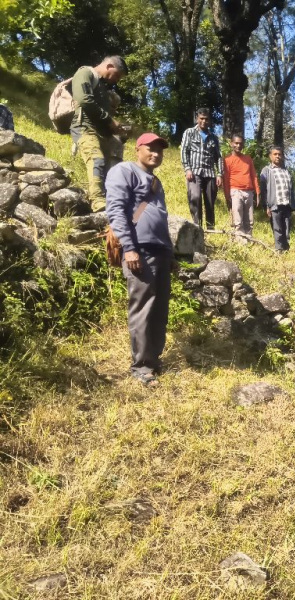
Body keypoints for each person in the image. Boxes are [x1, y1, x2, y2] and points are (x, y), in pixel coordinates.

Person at [106, 133, 174, 387]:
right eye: (150, 148)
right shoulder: (124, 171)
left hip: (160, 250)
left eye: (160, 150)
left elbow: (161, 218)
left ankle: (154, 361)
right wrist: (129, 248)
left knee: (159, 310)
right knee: (143, 308)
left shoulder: (156, 181)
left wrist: (170, 253)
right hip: (139, 250)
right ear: (138, 149)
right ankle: (141, 367)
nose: (156, 153)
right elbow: (115, 210)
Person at [70, 56, 129, 211]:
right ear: (109, 66)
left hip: (103, 133)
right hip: (85, 128)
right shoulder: (85, 73)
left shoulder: (103, 87)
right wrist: (110, 120)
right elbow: (84, 100)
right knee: (97, 159)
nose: (116, 80)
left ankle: (111, 202)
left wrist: (115, 127)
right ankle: (97, 201)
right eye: (117, 75)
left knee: (109, 168)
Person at [180, 108, 224, 230]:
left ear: (210, 121)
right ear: (197, 119)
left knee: (210, 203)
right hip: (194, 172)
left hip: (210, 174)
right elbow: (184, 151)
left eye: (206, 119)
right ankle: (197, 228)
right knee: (195, 197)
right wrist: (187, 169)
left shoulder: (214, 137)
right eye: (201, 119)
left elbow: (218, 157)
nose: (204, 121)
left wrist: (219, 174)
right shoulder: (189, 132)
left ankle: (210, 229)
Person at [259, 145, 295, 252]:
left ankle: (286, 249)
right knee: (277, 229)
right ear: (270, 156)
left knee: (287, 229)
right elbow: (263, 190)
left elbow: (292, 189)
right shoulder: (266, 170)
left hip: (287, 205)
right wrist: (266, 206)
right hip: (274, 206)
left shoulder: (286, 171)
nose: (277, 156)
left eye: (279, 154)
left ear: (282, 156)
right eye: (275, 154)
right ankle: (279, 250)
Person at [223, 134, 260, 241]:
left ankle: (249, 240)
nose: (238, 145)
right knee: (238, 219)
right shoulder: (227, 160)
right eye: (236, 143)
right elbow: (225, 179)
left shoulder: (248, 159)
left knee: (249, 220)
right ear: (231, 144)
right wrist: (227, 196)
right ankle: (239, 241)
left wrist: (257, 192)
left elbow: (253, 176)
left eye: (240, 143)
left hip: (249, 192)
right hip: (235, 191)